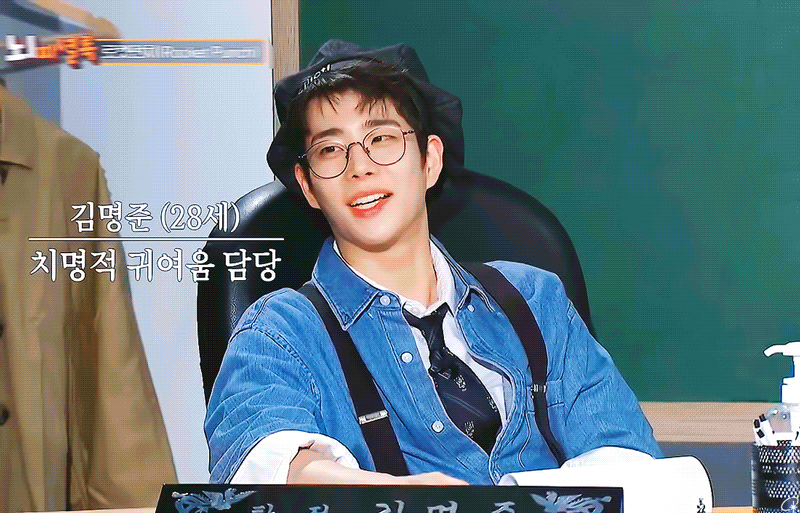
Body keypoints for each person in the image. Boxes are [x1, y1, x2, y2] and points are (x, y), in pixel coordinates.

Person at [204, 40, 661, 485]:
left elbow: (627, 460)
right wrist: (399, 498)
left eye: (381, 138)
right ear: (307, 185)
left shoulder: (536, 300)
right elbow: (262, 464)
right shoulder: (279, 331)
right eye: (330, 149)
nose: (359, 167)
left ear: (430, 160)